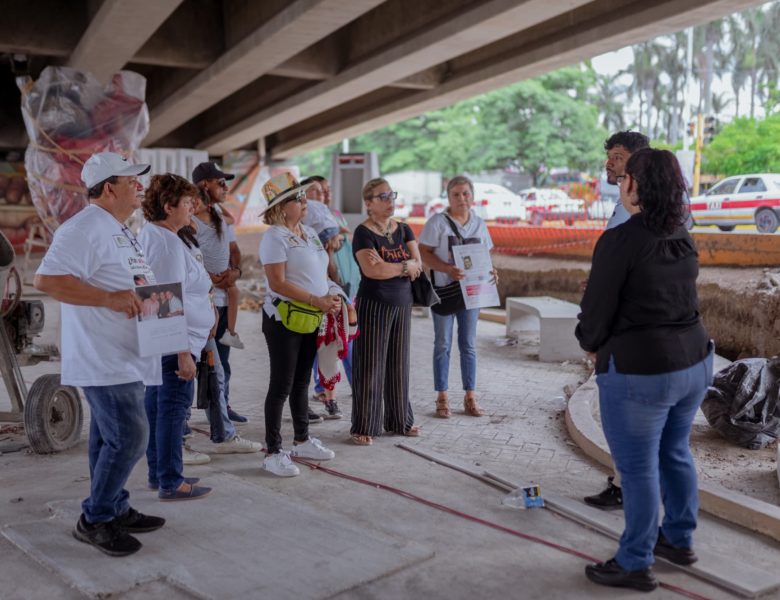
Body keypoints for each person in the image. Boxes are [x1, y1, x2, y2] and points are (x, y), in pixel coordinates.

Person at [576, 148, 713, 592]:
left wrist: (590, 345)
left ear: (635, 184)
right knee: (674, 452)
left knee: (637, 471)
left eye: (623, 178)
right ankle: (678, 538)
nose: (620, 184)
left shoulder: (621, 240)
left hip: (642, 371)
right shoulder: (682, 232)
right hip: (693, 362)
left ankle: (634, 561)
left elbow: (596, 312)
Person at [34, 151, 165, 556]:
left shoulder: (119, 228)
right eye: (132, 181)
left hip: (127, 351)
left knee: (107, 439)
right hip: (101, 355)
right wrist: (108, 299)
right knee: (131, 436)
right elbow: (47, 279)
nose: (140, 187)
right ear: (109, 188)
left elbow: (132, 282)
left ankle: (114, 507)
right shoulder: (84, 226)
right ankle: (95, 519)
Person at [584, 129, 650, 511]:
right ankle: (625, 481)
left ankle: (631, 491)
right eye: (608, 155)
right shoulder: (626, 204)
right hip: (622, 326)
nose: (609, 162)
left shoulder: (646, 213)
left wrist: (593, 335)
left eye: (618, 156)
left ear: (639, 161)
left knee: (625, 416)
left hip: (628, 333)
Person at [258, 172, 341, 477]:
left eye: (304, 196)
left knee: (302, 382)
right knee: (281, 385)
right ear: (281, 207)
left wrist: (333, 296)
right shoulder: (274, 237)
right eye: (298, 198)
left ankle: (302, 439)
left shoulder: (308, 233)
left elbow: (322, 275)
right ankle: (273, 450)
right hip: (284, 319)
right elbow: (277, 283)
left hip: (311, 316)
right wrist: (315, 300)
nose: (305, 201)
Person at [138, 174, 213, 501]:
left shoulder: (164, 235)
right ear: (168, 206)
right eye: (186, 202)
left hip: (172, 337)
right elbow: (164, 298)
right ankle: (171, 479)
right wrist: (182, 350)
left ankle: (161, 472)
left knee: (159, 407)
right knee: (172, 408)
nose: (193, 207)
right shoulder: (165, 242)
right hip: (174, 340)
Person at [350, 177, 423, 446]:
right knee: (370, 365)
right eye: (382, 197)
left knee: (398, 364)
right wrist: (404, 267)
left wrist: (397, 266)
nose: (389, 200)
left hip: (402, 301)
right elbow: (373, 270)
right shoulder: (363, 233)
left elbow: (419, 263)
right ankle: (365, 424)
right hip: (374, 302)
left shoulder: (403, 229)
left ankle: (400, 420)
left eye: (391, 195)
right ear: (368, 203)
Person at [419, 175, 496, 418]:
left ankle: (470, 397)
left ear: (472, 196)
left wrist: (492, 271)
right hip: (444, 293)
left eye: (466, 194)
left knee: (469, 345)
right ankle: (442, 396)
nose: (462, 198)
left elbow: (485, 255)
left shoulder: (479, 224)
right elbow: (423, 254)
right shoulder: (437, 223)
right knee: (442, 344)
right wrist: (446, 268)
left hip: (472, 295)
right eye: (456, 194)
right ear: (449, 197)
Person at [192, 162, 247, 423]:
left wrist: (235, 271)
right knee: (196, 362)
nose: (226, 188)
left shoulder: (219, 215)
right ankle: (191, 418)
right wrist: (208, 278)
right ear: (205, 185)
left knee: (222, 362)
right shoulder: (189, 219)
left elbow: (234, 250)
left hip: (224, 298)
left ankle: (222, 406)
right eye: (221, 183)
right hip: (204, 300)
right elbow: (186, 257)